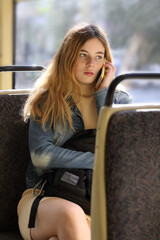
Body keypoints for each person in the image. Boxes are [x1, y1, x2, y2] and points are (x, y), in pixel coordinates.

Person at [17, 23, 131, 240]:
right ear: (68, 56)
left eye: (99, 56)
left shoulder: (119, 99)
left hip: (96, 201)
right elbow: (40, 155)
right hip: (47, 197)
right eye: (83, 55)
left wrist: (102, 95)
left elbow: (118, 152)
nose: (91, 63)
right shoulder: (47, 100)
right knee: (71, 214)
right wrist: (96, 160)